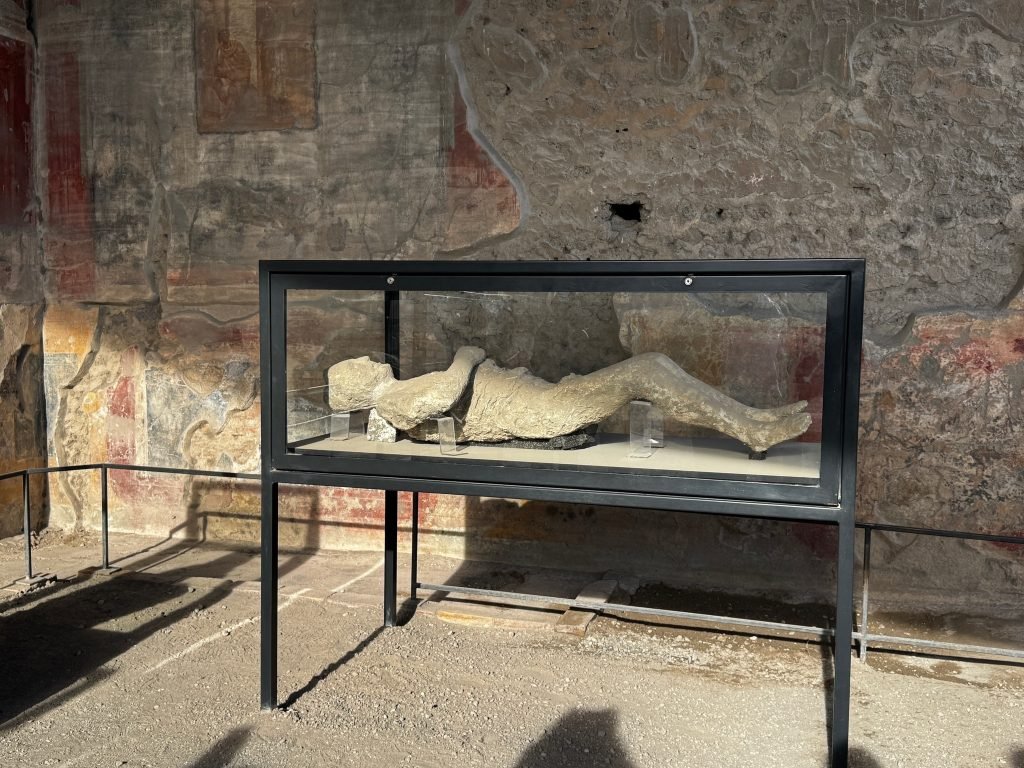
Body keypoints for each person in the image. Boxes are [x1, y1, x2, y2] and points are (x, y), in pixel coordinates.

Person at [328, 346, 811, 455]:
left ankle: (751, 419)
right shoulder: (393, 399)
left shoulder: (398, 392)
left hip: (543, 399)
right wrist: (466, 356)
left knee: (652, 368)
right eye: (356, 364)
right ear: (355, 388)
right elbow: (443, 395)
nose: (367, 358)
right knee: (647, 370)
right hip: (541, 412)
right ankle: (751, 428)